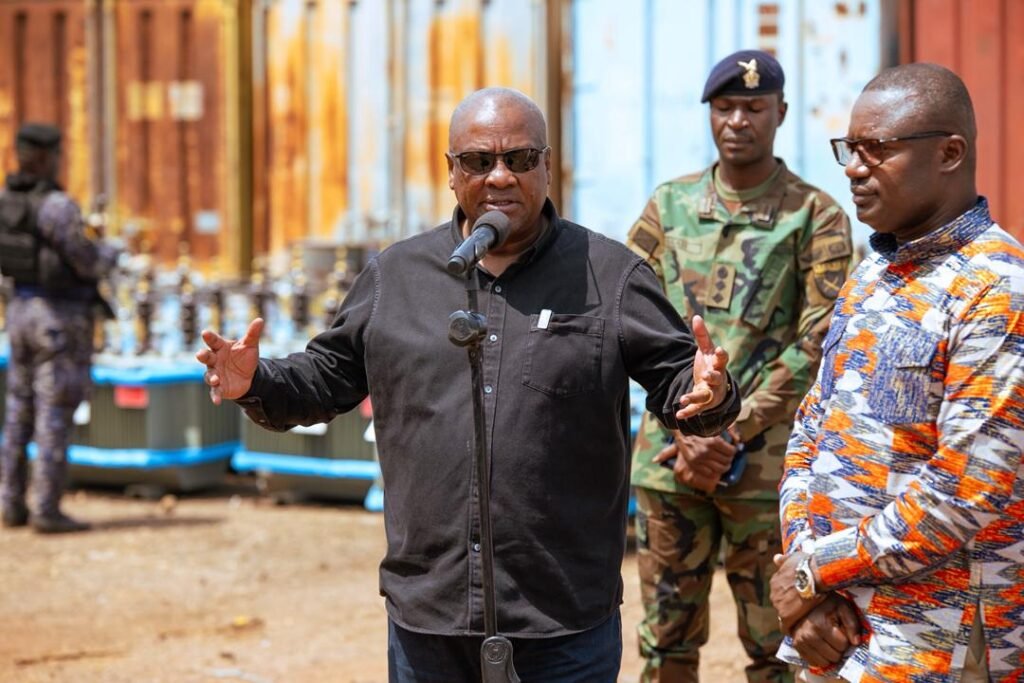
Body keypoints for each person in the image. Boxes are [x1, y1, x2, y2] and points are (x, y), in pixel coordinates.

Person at [197, 87, 741, 681]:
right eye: (479, 161)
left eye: (520, 158)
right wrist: (256, 381)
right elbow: (326, 378)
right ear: (452, 172)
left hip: (561, 619)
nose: (500, 176)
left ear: (547, 166)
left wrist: (708, 394)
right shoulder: (395, 277)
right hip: (431, 615)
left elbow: (678, 384)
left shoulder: (608, 275)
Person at [770, 62, 1024, 683]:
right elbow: (812, 430)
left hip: (936, 644)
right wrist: (805, 571)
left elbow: (966, 491)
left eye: (877, 149)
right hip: (837, 632)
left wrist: (815, 568)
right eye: (849, 149)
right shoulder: (873, 274)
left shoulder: (997, 288)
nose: (854, 168)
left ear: (950, 153)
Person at [627, 50, 853, 683]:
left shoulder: (816, 216)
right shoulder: (668, 207)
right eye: (724, 107)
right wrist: (686, 427)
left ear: (781, 112)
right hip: (672, 462)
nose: (737, 121)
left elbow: (821, 341)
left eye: (754, 107)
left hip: (765, 471)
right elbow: (627, 322)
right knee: (664, 646)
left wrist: (725, 427)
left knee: (779, 647)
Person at [0, 123, 119, 533]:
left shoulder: (7, 200)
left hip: (19, 313)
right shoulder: (56, 206)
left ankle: (11, 503)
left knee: (18, 410)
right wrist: (110, 253)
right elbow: (86, 261)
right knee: (54, 411)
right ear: (47, 157)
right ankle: (46, 509)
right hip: (57, 317)